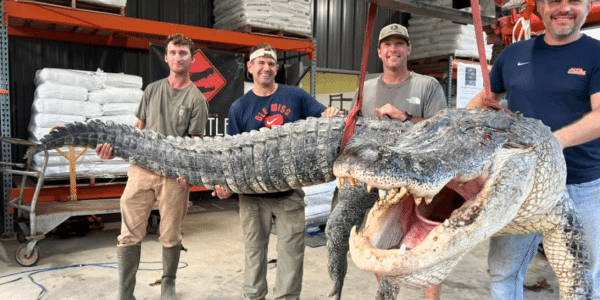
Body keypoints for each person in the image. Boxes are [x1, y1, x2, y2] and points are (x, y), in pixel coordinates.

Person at [466, 0, 600, 299]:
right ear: (538, 7)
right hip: (520, 185)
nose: (563, 8)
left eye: (574, 1)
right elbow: (484, 100)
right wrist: (458, 128)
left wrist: (548, 142)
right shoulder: (513, 55)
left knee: (583, 277)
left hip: (581, 184)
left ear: (589, 6)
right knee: (503, 270)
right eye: (553, 1)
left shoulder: (596, 54)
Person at [211, 43, 340, 300]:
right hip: (251, 196)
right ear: (250, 67)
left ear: (276, 68)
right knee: (254, 252)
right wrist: (223, 183)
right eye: (260, 62)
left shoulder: (295, 96)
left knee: (292, 254)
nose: (266, 67)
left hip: (288, 193)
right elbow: (232, 155)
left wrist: (331, 113)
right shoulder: (239, 107)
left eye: (271, 63)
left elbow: (323, 115)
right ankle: (254, 296)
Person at [96, 33, 209, 300]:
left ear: (192, 59)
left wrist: (188, 173)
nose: (178, 57)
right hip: (141, 170)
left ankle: (168, 283)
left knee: (170, 232)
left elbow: (195, 143)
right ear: (166, 57)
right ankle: (126, 293)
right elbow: (138, 131)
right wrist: (113, 152)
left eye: (183, 53)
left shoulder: (196, 99)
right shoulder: (152, 90)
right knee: (128, 232)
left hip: (173, 174)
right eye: (173, 52)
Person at [351, 23, 448, 300]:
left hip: (420, 180)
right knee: (381, 242)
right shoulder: (366, 89)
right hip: (381, 180)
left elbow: (440, 129)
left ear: (408, 49)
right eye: (387, 45)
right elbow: (354, 129)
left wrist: (404, 117)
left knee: (429, 242)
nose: (393, 49)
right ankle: (388, 296)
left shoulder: (426, 85)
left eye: (399, 44)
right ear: (379, 52)